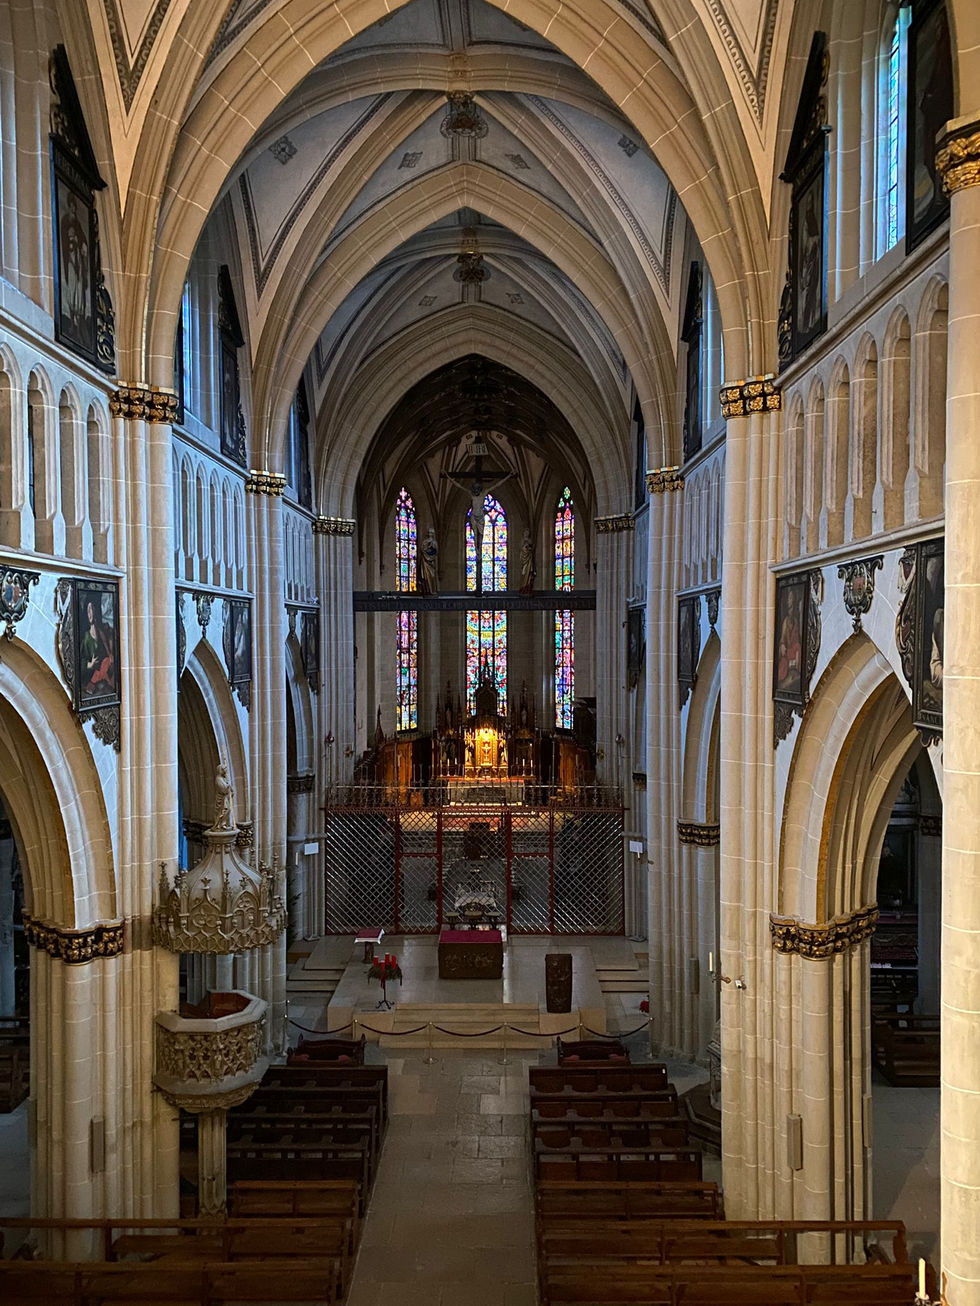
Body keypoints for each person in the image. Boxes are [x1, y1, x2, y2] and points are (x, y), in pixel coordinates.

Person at [80, 596, 115, 697]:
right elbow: (81, 658)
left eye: (92, 610)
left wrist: (110, 654)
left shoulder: (100, 630)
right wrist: (89, 664)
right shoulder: (86, 637)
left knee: (107, 662)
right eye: (88, 610)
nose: (90, 613)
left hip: (103, 664)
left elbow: (104, 641)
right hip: (92, 669)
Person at [776, 589, 802, 694]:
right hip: (786, 650)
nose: (790, 600)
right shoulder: (786, 621)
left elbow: (796, 638)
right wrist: (782, 645)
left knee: (798, 647)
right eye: (789, 598)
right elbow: (782, 638)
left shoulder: (795, 620)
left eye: (791, 598)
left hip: (793, 648)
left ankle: (797, 670)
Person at [420, 526, 438, 594]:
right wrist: (427, 550)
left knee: (432, 576)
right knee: (426, 577)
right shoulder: (425, 542)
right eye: (429, 533)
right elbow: (423, 550)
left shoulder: (434, 542)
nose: (430, 534)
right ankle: (427, 590)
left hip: (432, 562)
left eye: (431, 533)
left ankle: (433, 590)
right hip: (425, 562)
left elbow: (436, 551)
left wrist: (431, 553)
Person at [519, 528, 535, 593]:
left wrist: (528, 548)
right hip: (524, 558)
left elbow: (531, 547)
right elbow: (521, 548)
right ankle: (523, 586)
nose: (526, 534)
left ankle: (528, 587)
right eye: (525, 533)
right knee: (524, 572)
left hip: (529, 559)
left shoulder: (530, 540)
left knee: (529, 573)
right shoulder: (522, 540)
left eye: (527, 533)